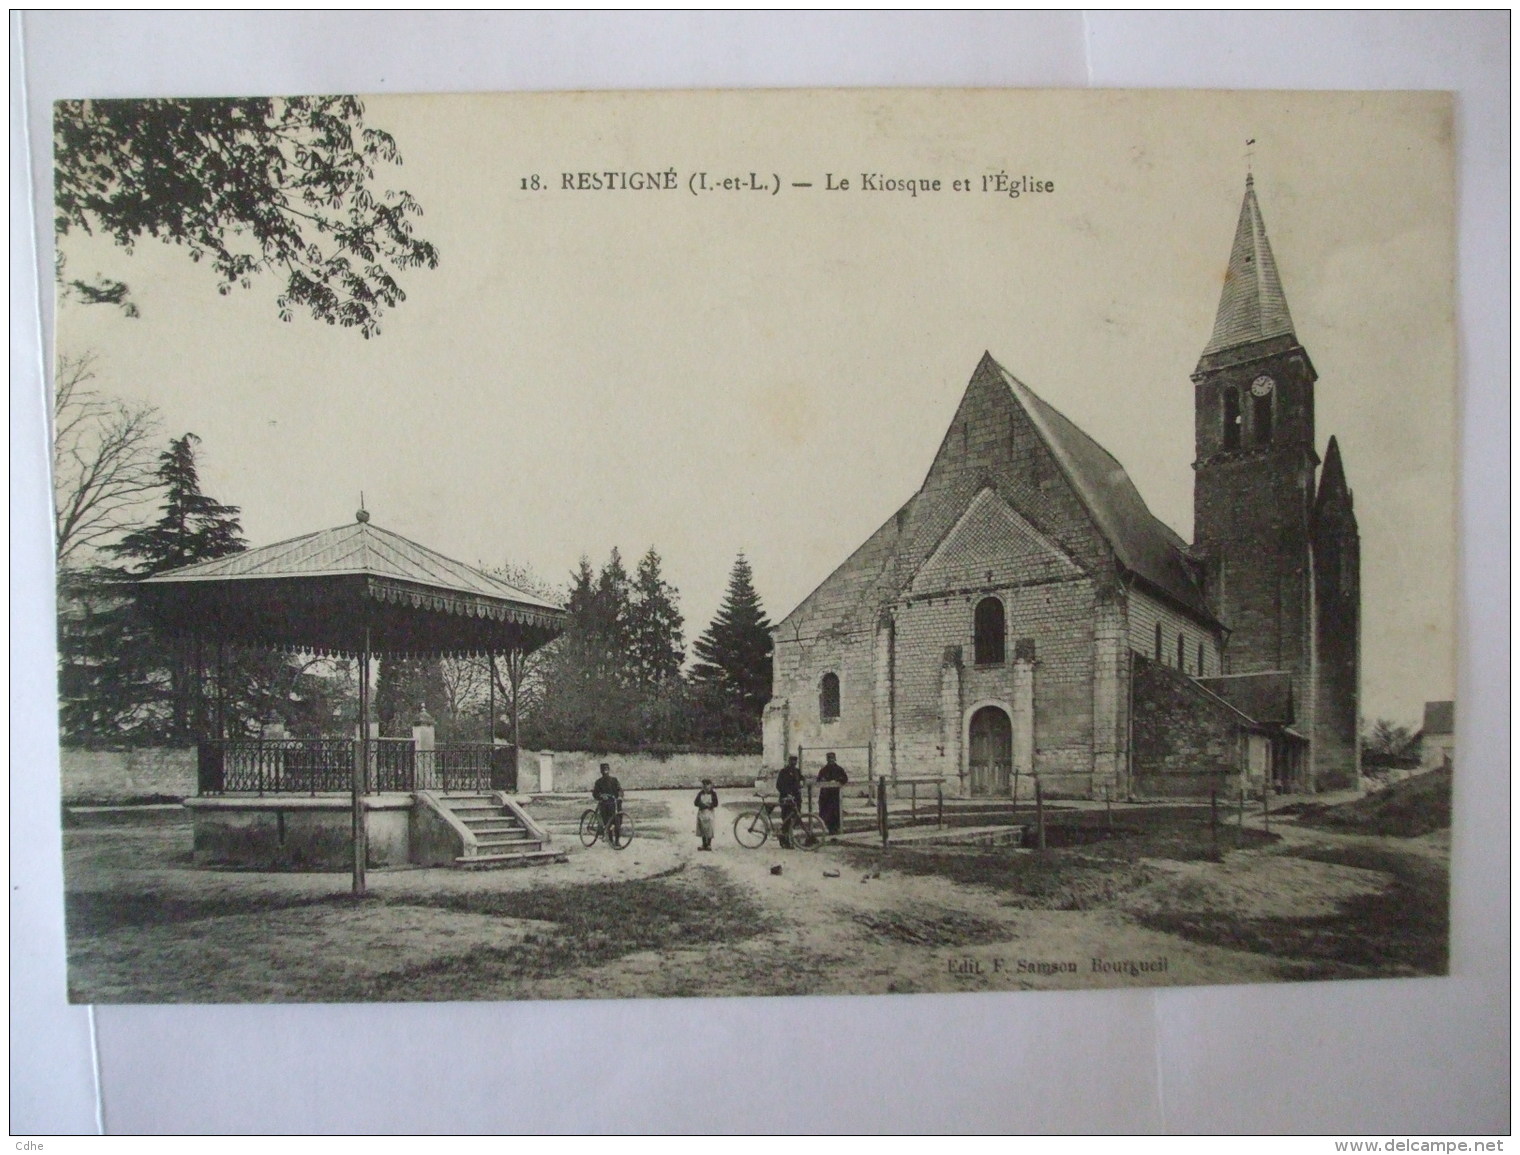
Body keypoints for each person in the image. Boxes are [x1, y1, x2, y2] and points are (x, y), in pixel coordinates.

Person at [816, 751, 849, 835]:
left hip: (834, 795)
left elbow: (844, 778)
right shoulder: (823, 770)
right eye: (829, 758)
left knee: (835, 813)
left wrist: (837, 781)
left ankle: (835, 829)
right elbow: (818, 780)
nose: (831, 760)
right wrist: (823, 781)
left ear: (835, 759)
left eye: (832, 758)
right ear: (827, 759)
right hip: (826, 796)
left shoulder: (839, 769)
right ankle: (829, 828)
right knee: (825, 813)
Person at [775, 755, 804, 849]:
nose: (793, 763)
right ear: (789, 761)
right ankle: (784, 840)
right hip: (786, 799)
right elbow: (779, 785)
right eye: (792, 761)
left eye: (795, 761)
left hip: (796, 799)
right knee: (786, 820)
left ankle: (792, 839)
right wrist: (787, 793)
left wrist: (803, 782)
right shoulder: (783, 772)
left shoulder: (797, 771)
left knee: (796, 819)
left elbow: (802, 779)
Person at [592, 762, 623, 845]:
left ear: (609, 770)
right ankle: (610, 839)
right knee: (607, 823)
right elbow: (595, 794)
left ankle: (617, 840)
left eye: (606, 769)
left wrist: (620, 796)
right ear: (601, 771)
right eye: (603, 770)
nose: (605, 772)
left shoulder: (614, 780)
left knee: (617, 822)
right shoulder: (598, 782)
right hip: (604, 805)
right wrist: (601, 796)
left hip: (614, 804)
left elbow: (619, 790)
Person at [693, 777, 719, 851]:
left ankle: (709, 844)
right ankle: (704, 844)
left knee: (709, 828)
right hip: (702, 813)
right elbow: (695, 802)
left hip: (709, 813)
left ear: (710, 785)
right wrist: (701, 805)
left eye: (707, 785)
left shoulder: (713, 794)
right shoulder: (700, 793)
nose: (705, 786)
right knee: (702, 828)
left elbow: (716, 803)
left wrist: (710, 805)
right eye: (703, 785)